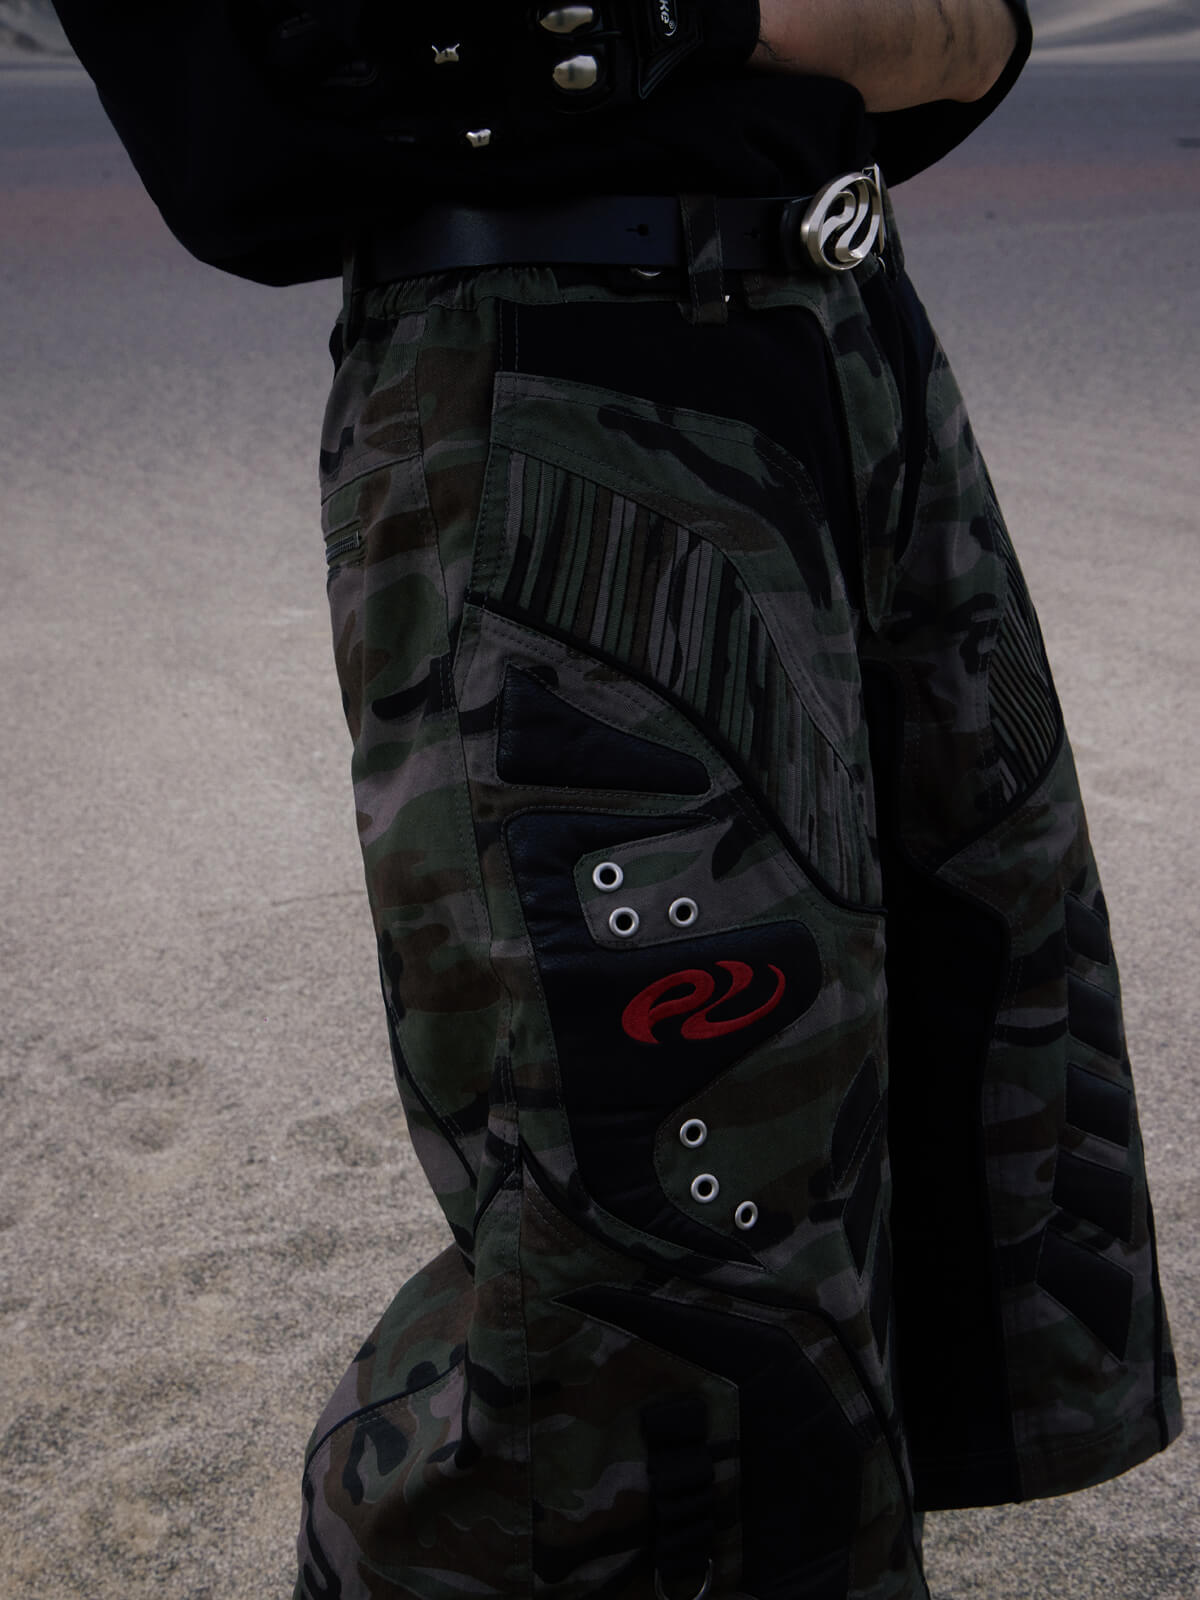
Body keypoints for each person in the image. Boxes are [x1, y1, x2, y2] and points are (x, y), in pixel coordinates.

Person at [51, 3, 1182, 1596]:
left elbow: (969, 41)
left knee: (965, 1069)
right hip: (557, 396)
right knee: (664, 1247)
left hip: (853, 354)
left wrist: (705, 29)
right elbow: (252, 128)